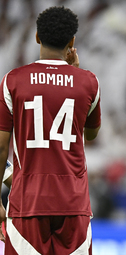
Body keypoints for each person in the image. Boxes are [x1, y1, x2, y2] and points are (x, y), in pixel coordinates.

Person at [0, 6, 101, 254]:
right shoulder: (88, 82)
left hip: (28, 203)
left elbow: (2, 146)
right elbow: (91, 134)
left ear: (36, 36)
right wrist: (75, 73)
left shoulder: (13, 80)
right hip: (73, 204)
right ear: (72, 41)